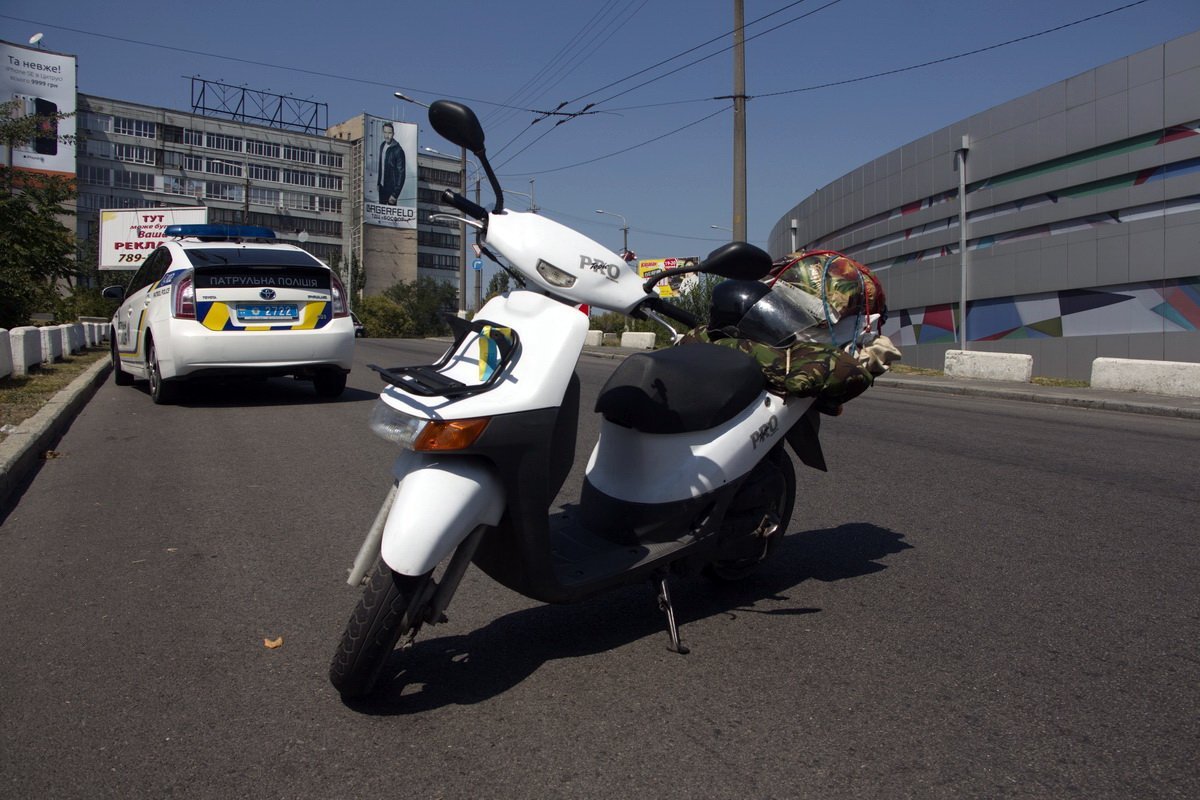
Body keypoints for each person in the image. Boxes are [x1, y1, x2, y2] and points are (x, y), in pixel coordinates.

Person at [377, 122, 406, 205]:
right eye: (385, 132)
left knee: (391, 212)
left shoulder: (398, 150)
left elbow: (401, 174)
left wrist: (395, 194)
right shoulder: (382, 145)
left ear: (393, 134)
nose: (387, 135)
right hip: (382, 187)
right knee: (381, 211)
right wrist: (378, 183)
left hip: (391, 190)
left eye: (389, 133)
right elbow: (381, 165)